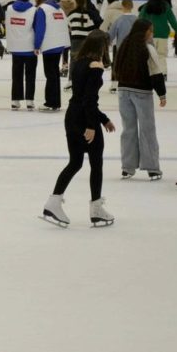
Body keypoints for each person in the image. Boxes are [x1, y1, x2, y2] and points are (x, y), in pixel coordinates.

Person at [41, 30, 116, 228]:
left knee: (75, 162)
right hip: (84, 119)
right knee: (96, 163)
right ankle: (96, 209)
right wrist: (92, 125)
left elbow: (81, 97)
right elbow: (89, 100)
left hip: (72, 117)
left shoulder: (79, 62)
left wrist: (104, 119)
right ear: (101, 46)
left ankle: (53, 202)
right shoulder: (95, 66)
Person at [113, 19, 166, 181]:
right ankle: (152, 168)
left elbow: (116, 67)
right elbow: (155, 72)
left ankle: (127, 167)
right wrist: (162, 94)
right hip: (142, 92)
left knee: (128, 129)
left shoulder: (124, 45)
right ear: (144, 31)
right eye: (150, 30)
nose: (152, 33)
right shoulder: (148, 48)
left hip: (123, 91)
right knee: (147, 129)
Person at [33, 0, 71, 112]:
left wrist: (37, 45)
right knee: (54, 74)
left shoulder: (42, 9)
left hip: (50, 44)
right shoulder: (58, 8)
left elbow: (40, 28)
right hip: (59, 44)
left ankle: (50, 102)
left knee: (50, 74)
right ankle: (56, 102)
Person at [5, 0, 37, 111]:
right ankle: (30, 100)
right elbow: (36, 28)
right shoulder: (33, 10)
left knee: (16, 75)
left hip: (16, 47)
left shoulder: (9, 8)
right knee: (30, 75)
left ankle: (15, 100)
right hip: (29, 47)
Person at [137, 0, 177, 76]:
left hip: (149, 34)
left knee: (149, 56)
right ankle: (163, 73)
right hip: (163, 34)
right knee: (161, 55)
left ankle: (151, 73)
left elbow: (140, 19)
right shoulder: (165, 6)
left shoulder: (146, 6)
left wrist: (138, 32)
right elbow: (172, 20)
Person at [107, 0, 138, 93]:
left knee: (118, 65)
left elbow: (111, 34)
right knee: (132, 64)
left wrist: (107, 42)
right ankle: (132, 83)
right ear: (132, 7)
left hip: (121, 47)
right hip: (134, 47)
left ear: (122, 7)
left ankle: (114, 84)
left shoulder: (119, 20)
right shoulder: (137, 20)